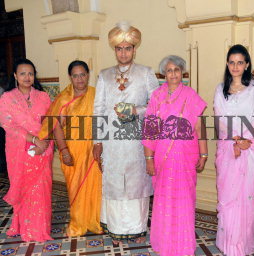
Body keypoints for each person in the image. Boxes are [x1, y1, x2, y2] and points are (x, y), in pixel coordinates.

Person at [92, 21, 159, 245]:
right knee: (113, 182)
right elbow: (98, 109)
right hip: (112, 141)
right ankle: (115, 229)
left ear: (134, 49)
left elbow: (157, 105)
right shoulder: (104, 75)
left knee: (136, 182)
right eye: (119, 48)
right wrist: (97, 141)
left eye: (127, 48)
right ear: (115, 50)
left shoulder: (145, 73)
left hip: (137, 141)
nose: (123, 52)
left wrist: (135, 110)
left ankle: (138, 229)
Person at [143, 55, 208, 256]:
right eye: (169, 70)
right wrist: (149, 158)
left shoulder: (190, 95)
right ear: (164, 73)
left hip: (186, 156)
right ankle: (163, 241)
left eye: (177, 70)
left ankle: (182, 243)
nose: (173, 74)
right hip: (163, 156)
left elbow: (199, 125)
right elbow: (150, 130)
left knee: (185, 198)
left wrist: (204, 153)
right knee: (163, 197)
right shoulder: (156, 96)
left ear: (182, 72)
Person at [39, 60, 102, 237]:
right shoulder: (64, 98)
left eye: (83, 74)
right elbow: (56, 125)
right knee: (76, 187)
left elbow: (101, 121)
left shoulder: (96, 94)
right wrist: (64, 150)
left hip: (93, 150)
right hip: (72, 150)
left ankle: (95, 221)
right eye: (76, 75)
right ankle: (79, 223)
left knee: (95, 187)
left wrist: (102, 145)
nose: (80, 78)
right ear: (70, 77)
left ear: (88, 75)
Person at [213, 44, 254, 255]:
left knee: (246, 197)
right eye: (232, 62)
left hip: (249, 148)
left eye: (240, 62)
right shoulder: (220, 89)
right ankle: (227, 243)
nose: (235, 66)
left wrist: (246, 140)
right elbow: (220, 118)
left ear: (247, 64)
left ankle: (241, 243)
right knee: (228, 196)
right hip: (228, 148)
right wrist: (234, 139)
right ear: (227, 64)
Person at [0, 59, 53, 242]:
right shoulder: (7, 98)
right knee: (23, 187)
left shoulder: (43, 97)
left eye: (30, 73)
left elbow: (50, 123)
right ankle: (23, 226)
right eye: (22, 73)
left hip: (42, 150)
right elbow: (8, 124)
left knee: (41, 188)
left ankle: (40, 228)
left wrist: (44, 142)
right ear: (15, 76)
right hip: (18, 152)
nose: (27, 77)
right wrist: (33, 140)